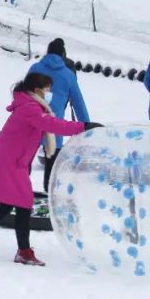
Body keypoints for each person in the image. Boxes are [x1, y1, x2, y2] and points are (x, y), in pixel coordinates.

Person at [0, 72, 97, 266]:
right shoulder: (30, 108)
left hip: (14, 160)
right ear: (37, 90)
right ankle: (23, 252)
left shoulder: (29, 105)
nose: (50, 92)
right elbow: (52, 124)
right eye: (48, 88)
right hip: (10, 162)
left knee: (6, 204)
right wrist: (83, 126)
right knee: (24, 203)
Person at [29, 38, 90, 189]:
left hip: (31, 121)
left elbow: (24, 93)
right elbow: (78, 103)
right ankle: (49, 195)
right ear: (63, 54)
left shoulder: (35, 68)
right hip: (54, 126)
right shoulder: (68, 74)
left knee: (24, 161)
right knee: (51, 165)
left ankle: (15, 191)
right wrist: (87, 126)